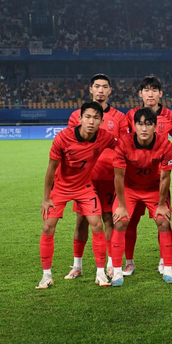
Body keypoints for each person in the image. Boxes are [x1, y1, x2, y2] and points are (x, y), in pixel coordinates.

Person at [37, 101, 116, 289]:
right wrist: (46, 198)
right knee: (48, 226)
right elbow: (51, 168)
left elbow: (122, 147)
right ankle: (46, 275)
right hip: (61, 187)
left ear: (101, 121)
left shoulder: (105, 137)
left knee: (96, 224)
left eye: (96, 118)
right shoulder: (63, 138)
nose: (91, 121)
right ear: (79, 119)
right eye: (87, 117)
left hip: (84, 187)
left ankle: (100, 273)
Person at [64, 73, 129, 280]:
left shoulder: (119, 117)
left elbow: (123, 147)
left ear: (110, 91)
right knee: (81, 220)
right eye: (97, 86)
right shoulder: (77, 116)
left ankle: (110, 264)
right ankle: (77, 265)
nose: (101, 90)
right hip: (85, 180)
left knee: (109, 218)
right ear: (90, 89)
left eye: (105, 87)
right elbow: (70, 145)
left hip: (109, 179)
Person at [110, 107, 172, 286]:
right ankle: (119, 270)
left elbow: (165, 177)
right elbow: (119, 176)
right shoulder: (124, 143)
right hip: (129, 188)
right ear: (134, 126)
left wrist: (162, 204)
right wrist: (122, 206)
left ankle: (168, 268)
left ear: (155, 126)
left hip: (153, 188)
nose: (144, 128)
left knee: (163, 220)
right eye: (140, 124)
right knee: (121, 220)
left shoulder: (165, 144)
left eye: (149, 124)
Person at [124, 75, 172, 275]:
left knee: (162, 221)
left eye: (154, 90)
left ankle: (165, 262)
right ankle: (129, 262)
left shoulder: (170, 116)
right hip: (134, 178)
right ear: (140, 94)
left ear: (160, 93)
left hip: (159, 180)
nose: (150, 94)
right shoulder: (130, 115)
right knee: (129, 221)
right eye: (146, 90)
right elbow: (124, 143)